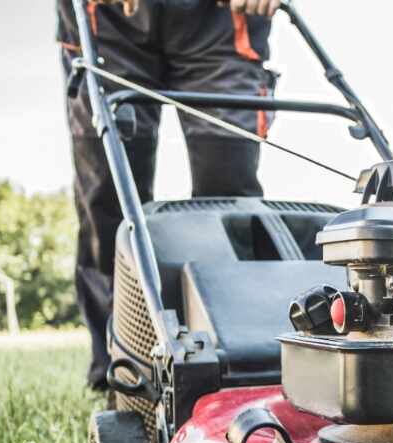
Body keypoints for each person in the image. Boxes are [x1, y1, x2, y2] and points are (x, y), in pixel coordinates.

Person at [57, 0, 281, 390]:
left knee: (229, 197)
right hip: (108, 21)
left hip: (219, 19)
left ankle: (242, 361)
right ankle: (120, 371)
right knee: (109, 197)